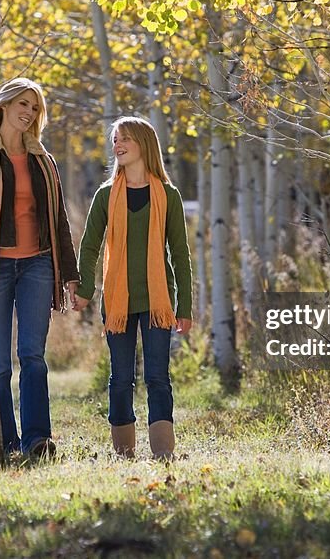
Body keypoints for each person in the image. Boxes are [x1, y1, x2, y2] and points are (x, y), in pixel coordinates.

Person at [0, 77, 79, 458]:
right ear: (4, 106)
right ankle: (4, 441)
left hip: (38, 266)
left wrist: (71, 274)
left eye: (35, 107)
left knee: (33, 356)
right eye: (23, 104)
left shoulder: (43, 161)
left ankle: (37, 440)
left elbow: (58, 219)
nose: (29, 113)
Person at [74, 116, 193, 460]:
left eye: (124, 138)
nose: (117, 145)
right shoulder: (106, 195)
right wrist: (84, 289)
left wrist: (184, 306)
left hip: (157, 301)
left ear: (144, 143)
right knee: (120, 378)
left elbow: (180, 253)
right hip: (118, 302)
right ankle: (124, 453)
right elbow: (90, 246)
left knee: (157, 377)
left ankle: (163, 452)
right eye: (115, 140)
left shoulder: (168, 195)